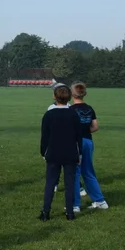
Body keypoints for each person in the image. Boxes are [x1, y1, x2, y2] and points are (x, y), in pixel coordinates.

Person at [40, 84, 82, 221]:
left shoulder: (49, 115)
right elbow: (78, 136)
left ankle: (45, 212)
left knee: (50, 183)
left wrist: (43, 152)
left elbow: (44, 136)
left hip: (53, 152)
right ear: (69, 97)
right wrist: (80, 153)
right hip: (70, 153)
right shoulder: (74, 114)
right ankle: (70, 213)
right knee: (70, 184)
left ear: (54, 97)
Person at [70, 83, 108, 211]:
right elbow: (95, 126)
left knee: (74, 173)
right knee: (88, 171)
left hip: (76, 143)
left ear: (72, 94)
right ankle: (100, 201)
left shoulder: (71, 110)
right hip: (88, 141)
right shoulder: (89, 108)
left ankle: (75, 204)